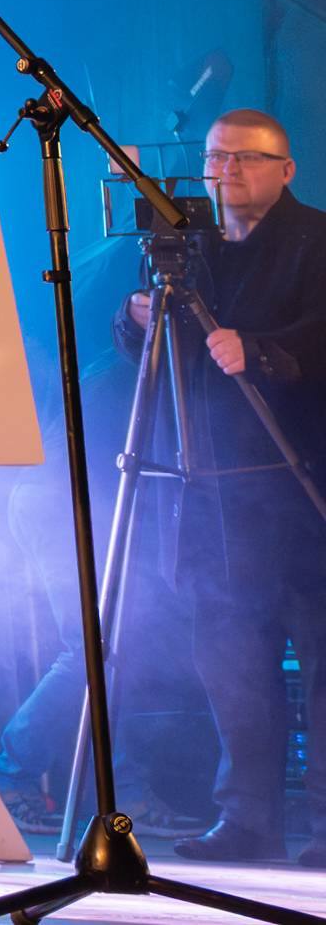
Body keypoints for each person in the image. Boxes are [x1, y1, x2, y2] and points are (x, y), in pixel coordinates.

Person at [116, 108, 326, 865]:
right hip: (210, 490)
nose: (226, 171)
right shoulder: (184, 250)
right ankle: (247, 822)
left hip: (300, 486)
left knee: (323, 664)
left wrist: (262, 351)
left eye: (244, 157)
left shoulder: (316, 240)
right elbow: (137, 348)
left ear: (286, 168)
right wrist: (136, 316)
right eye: (215, 157)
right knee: (232, 666)